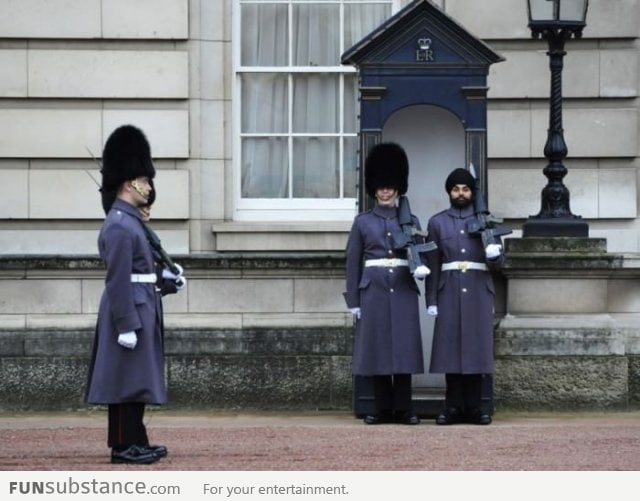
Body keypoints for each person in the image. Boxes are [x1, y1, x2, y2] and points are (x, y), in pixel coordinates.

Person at [85, 124, 168, 464]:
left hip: (140, 304)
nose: (149, 186)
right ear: (128, 182)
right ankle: (123, 445)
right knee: (124, 381)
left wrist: (168, 280)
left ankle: (137, 438)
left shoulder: (131, 221)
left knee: (136, 378)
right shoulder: (119, 224)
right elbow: (118, 279)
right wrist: (125, 323)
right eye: (144, 180)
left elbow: (142, 272)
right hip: (129, 309)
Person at [343, 142, 430, 425]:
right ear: (374, 188)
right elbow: (353, 262)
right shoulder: (362, 222)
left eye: (390, 185)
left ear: (397, 187)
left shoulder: (411, 219)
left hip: (403, 287)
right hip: (374, 290)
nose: (385, 190)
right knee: (378, 348)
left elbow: (420, 251)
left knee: (403, 347)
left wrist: (420, 268)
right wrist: (353, 301)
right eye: (381, 186)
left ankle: (404, 408)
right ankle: (381, 408)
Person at [424, 167, 505, 425]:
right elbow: (433, 263)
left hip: (478, 289)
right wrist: (431, 300)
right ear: (449, 192)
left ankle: (477, 407)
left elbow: (498, 264)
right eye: (456, 189)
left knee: (476, 350)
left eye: (465, 189)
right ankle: (453, 407)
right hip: (449, 290)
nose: (461, 193)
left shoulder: (486, 220)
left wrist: (495, 254)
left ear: (472, 192)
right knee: (451, 350)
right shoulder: (437, 222)